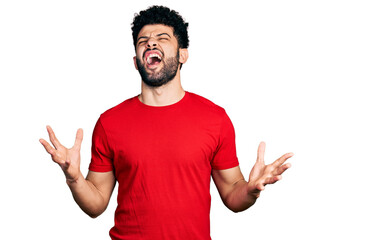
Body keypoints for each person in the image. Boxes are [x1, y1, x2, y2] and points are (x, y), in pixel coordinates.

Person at [40, 5, 293, 240]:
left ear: (183, 55)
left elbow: (232, 194)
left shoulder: (215, 119)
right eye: (143, 41)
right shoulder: (110, 122)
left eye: (162, 38)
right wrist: (74, 179)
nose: (151, 42)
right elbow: (95, 205)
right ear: (136, 61)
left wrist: (251, 190)